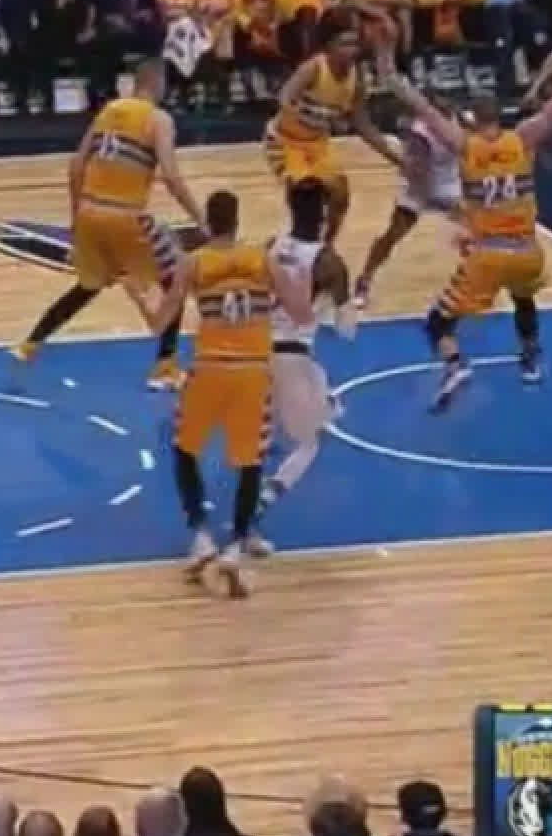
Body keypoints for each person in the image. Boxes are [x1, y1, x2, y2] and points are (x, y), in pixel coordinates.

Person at [383, 59, 552, 407]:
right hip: (527, 252)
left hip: (488, 255)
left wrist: (390, 73)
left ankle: (455, 365)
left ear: (471, 118)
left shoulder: (466, 145)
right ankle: (530, 359)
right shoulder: (524, 138)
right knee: (523, 298)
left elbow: (422, 108)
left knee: (438, 323)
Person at [10, 54, 200, 388]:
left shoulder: (109, 111)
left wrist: (75, 220)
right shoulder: (158, 119)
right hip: (125, 215)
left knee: (89, 285)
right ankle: (165, 365)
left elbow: (76, 167)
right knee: (175, 278)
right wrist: (200, 217)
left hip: (89, 211)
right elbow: (171, 177)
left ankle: (29, 344)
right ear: (158, 83)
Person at [151, 191, 273, 597]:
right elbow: (298, 308)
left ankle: (201, 535)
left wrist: (139, 292)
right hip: (252, 370)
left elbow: (161, 321)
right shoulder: (261, 259)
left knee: (184, 450)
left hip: (210, 368)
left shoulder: (194, 263)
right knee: (250, 461)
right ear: (237, 221)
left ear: (208, 223)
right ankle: (236, 545)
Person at [262, 15, 401, 246]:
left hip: (317, 144)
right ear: (329, 47)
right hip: (285, 141)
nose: (351, 50)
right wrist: (307, 115)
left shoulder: (357, 78)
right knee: (306, 191)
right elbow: (284, 98)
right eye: (344, 44)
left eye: (354, 44)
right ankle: (293, 242)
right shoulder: (314, 68)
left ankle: (326, 245)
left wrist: (395, 158)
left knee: (340, 194)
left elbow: (364, 126)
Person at [262, 177, 351, 513]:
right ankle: (267, 496)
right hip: (291, 355)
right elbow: (346, 330)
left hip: (254, 349)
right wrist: (332, 304)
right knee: (309, 444)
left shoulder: (272, 246)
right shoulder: (329, 262)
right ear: (325, 215)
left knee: (267, 429)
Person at [351, 95, 462, 319]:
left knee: (478, 235)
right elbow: (415, 168)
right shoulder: (419, 132)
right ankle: (364, 280)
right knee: (392, 235)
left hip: (448, 185)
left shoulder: (462, 121)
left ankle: (472, 283)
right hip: (417, 187)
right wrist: (406, 166)